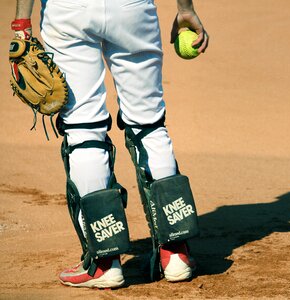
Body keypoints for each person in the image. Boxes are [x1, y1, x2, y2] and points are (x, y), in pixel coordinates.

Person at [12, 0, 208, 289]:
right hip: (132, 9)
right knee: (149, 124)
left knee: (83, 129)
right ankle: (175, 254)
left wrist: (21, 26)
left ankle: (103, 264)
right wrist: (185, 9)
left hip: (69, 12)